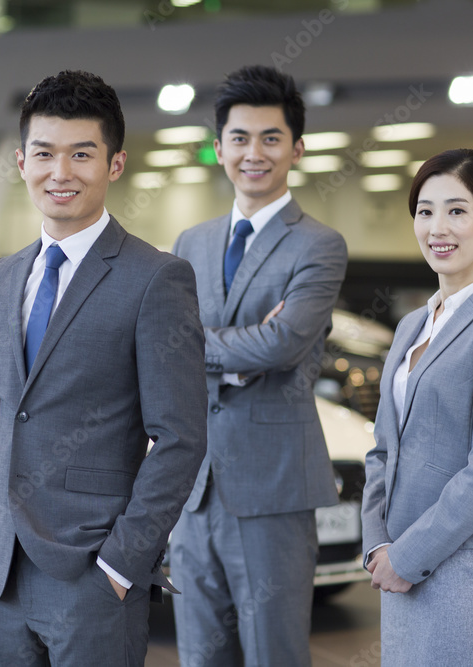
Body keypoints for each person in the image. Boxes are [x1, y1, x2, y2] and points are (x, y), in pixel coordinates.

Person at [0, 69, 207, 667]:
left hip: (92, 574)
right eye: (45, 153)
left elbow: (181, 438)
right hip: (1, 575)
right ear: (21, 161)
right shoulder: (0, 279)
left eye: (82, 154)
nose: (61, 172)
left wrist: (120, 564)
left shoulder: (155, 279)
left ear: (114, 164)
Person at [171, 64, 348, 666]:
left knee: (274, 654)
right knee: (200, 654)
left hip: (273, 489)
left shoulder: (318, 244)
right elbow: (167, 347)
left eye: (271, 138)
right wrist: (238, 350)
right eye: (240, 138)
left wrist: (202, 344)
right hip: (193, 490)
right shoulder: (190, 243)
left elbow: (281, 347)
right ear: (218, 148)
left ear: (296, 149)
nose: (254, 153)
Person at [361, 148, 473, 666]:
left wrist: (408, 557)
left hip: (458, 576)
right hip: (396, 575)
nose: (437, 227)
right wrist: (378, 547)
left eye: (457, 210)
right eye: (425, 210)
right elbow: (382, 451)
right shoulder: (410, 327)